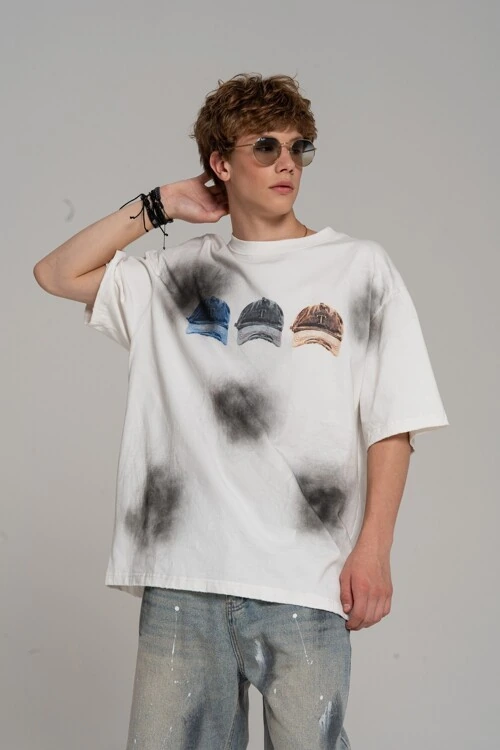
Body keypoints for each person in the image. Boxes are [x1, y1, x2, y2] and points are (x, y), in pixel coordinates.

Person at [33, 72, 449, 749]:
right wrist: (160, 205)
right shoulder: (175, 278)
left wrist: (374, 550)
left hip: (306, 581)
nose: (287, 162)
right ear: (220, 164)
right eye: (264, 146)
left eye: (298, 146)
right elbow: (56, 274)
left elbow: (392, 421)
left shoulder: (358, 267)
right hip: (184, 580)